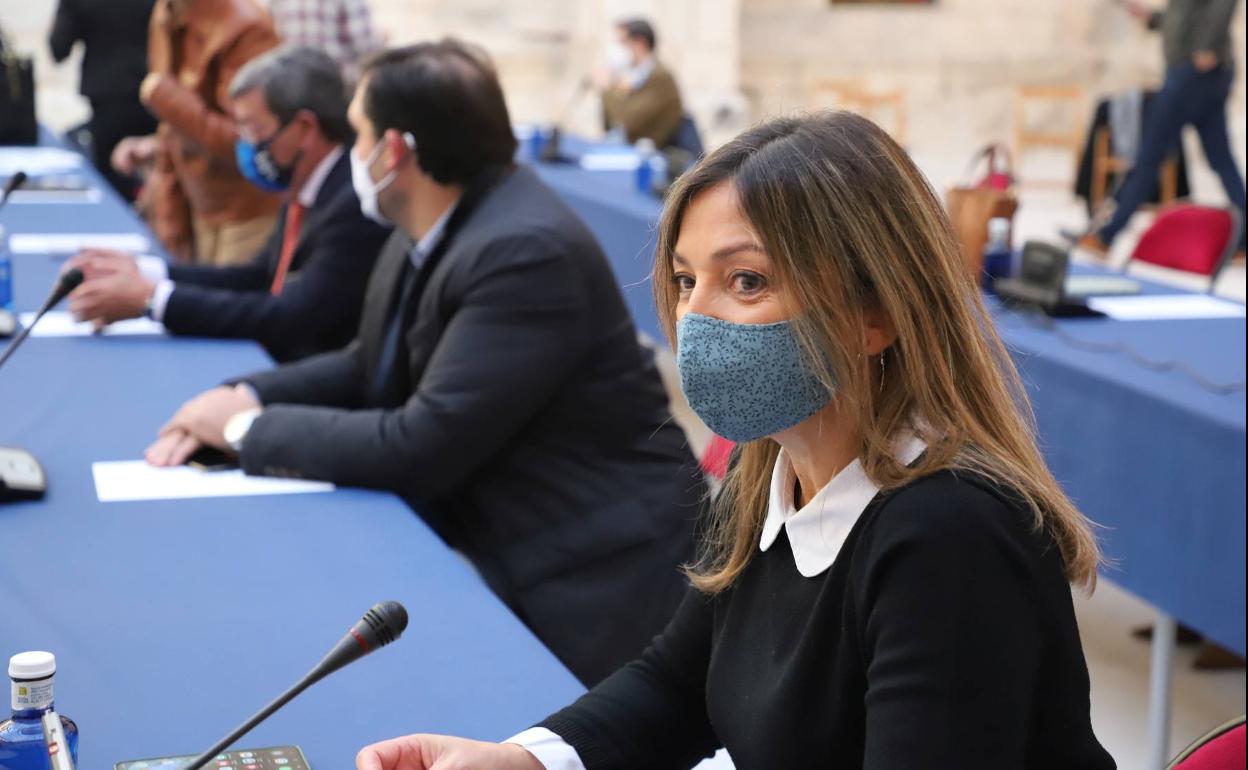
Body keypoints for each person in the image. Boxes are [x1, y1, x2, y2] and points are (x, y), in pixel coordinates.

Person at [351, 112, 1117, 770]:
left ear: (875, 315)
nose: (695, 317)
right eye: (686, 281)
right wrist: (521, 758)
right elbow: (681, 681)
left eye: (746, 281)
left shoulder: (949, 536)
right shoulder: (772, 466)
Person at [144, 40, 704, 687]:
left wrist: (243, 432)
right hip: (516, 542)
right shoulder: (428, 217)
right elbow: (368, 364)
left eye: (356, 133)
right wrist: (243, 395)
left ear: (395, 152)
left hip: (597, 575)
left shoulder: (524, 251)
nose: (349, 152)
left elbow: (422, 442)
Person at [65, 47, 390, 363]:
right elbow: (258, 276)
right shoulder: (306, 184)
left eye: (253, 130)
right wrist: (147, 272)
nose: (246, 146)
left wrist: (153, 300)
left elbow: (293, 317)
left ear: (304, 128)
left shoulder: (351, 204)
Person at [112, 0, 282, 265]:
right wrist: (158, 150)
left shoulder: (246, 27)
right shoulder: (168, 13)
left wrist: (169, 101)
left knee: (226, 297)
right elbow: (175, 120)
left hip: (244, 210)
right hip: (195, 200)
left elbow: (252, 142)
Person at [1080, 0, 1245, 257]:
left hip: (1193, 73)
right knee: (1221, 159)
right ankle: (1244, 240)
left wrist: (1206, 47)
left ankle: (1107, 235)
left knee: (1149, 155)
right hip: (1194, 72)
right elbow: (1187, 13)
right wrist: (1154, 17)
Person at [48, 0, 158, 201]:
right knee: (158, 183)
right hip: (152, 93)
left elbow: (59, 49)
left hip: (108, 97)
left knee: (111, 190)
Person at [593, 18, 684, 148]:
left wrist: (607, 88)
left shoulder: (659, 76)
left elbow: (625, 121)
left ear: (640, 43)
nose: (618, 49)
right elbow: (611, 124)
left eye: (622, 42)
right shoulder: (635, 75)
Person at [265, 0, 383, 83]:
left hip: (293, 81)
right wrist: (382, 39)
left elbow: (271, 31)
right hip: (338, 82)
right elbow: (364, 44)